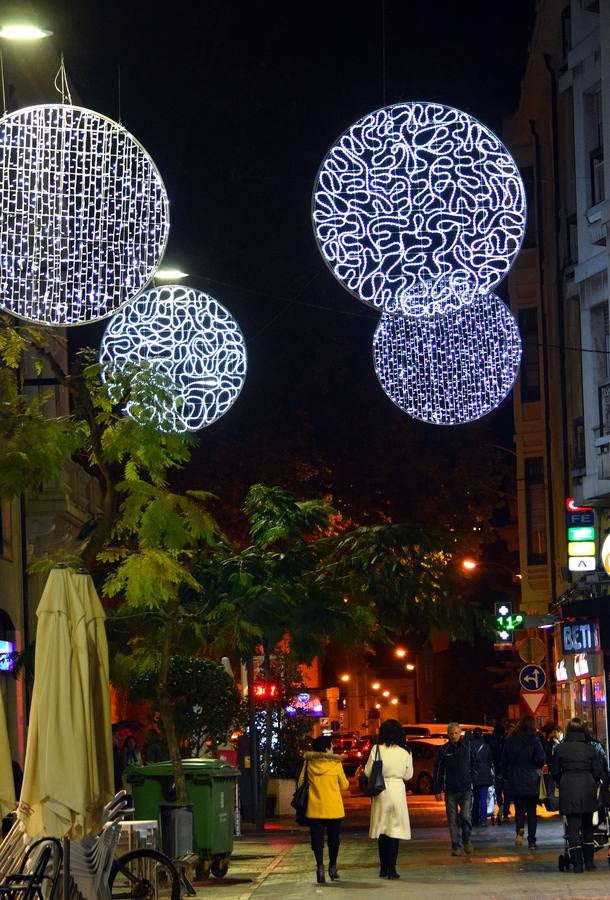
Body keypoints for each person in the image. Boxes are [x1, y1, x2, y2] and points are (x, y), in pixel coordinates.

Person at [551, 718, 604, 872]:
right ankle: (589, 862)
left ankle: (577, 864)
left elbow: (554, 772)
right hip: (587, 786)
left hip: (568, 786)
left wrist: (562, 780)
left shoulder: (560, 749)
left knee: (573, 827)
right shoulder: (590, 749)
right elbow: (597, 772)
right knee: (588, 826)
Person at [364, 718, 413, 879]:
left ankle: (383, 868)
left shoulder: (376, 749)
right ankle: (392, 869)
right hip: (397, 790)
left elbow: (368, 772)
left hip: (381, 790)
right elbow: (409, 775)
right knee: (395, 829)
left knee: (382, 829)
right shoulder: (405, 751)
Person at [297, 734, 349, 884]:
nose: (333, 749)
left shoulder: (308, 763)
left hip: (314, 808)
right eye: (331, 746)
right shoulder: (336, 764)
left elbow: (301, 783)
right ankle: (333, 867)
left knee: (317, 840)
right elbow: (345, 785)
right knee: (334, 840)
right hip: (334, 809)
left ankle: (320, 868)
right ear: (327, 748)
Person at [501, 715, 546, 850]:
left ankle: (519, 832)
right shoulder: (535, 740)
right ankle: (532, 841)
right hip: (532, 779)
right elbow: (541, 758)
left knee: (520, 810)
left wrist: (506, 775)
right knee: (532, 811)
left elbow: (504, 760)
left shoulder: (510, 739)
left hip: (516, 778)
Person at [433, 722, 476, 856]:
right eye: (451, 733)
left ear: (460, 732)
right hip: (450, 790)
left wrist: (473, 780)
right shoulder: (444, 750)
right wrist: (437, 789)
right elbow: (438, 770)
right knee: (452, 820)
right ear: (448, 734)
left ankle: (467, 840)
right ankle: (456, 846)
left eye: (456, 733)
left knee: (465, 817)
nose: (454, 736)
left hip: (466, 789)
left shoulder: (467, 747)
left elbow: (475, 765)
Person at [470, 727, 494, 827]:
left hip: (475, 775)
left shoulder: (470, 746)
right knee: (484, 798)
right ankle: (484, 819)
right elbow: (490, 760)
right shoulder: (486, 746)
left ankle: (475, 819)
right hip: (485, 775)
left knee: (475, 798)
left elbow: (469, 761)